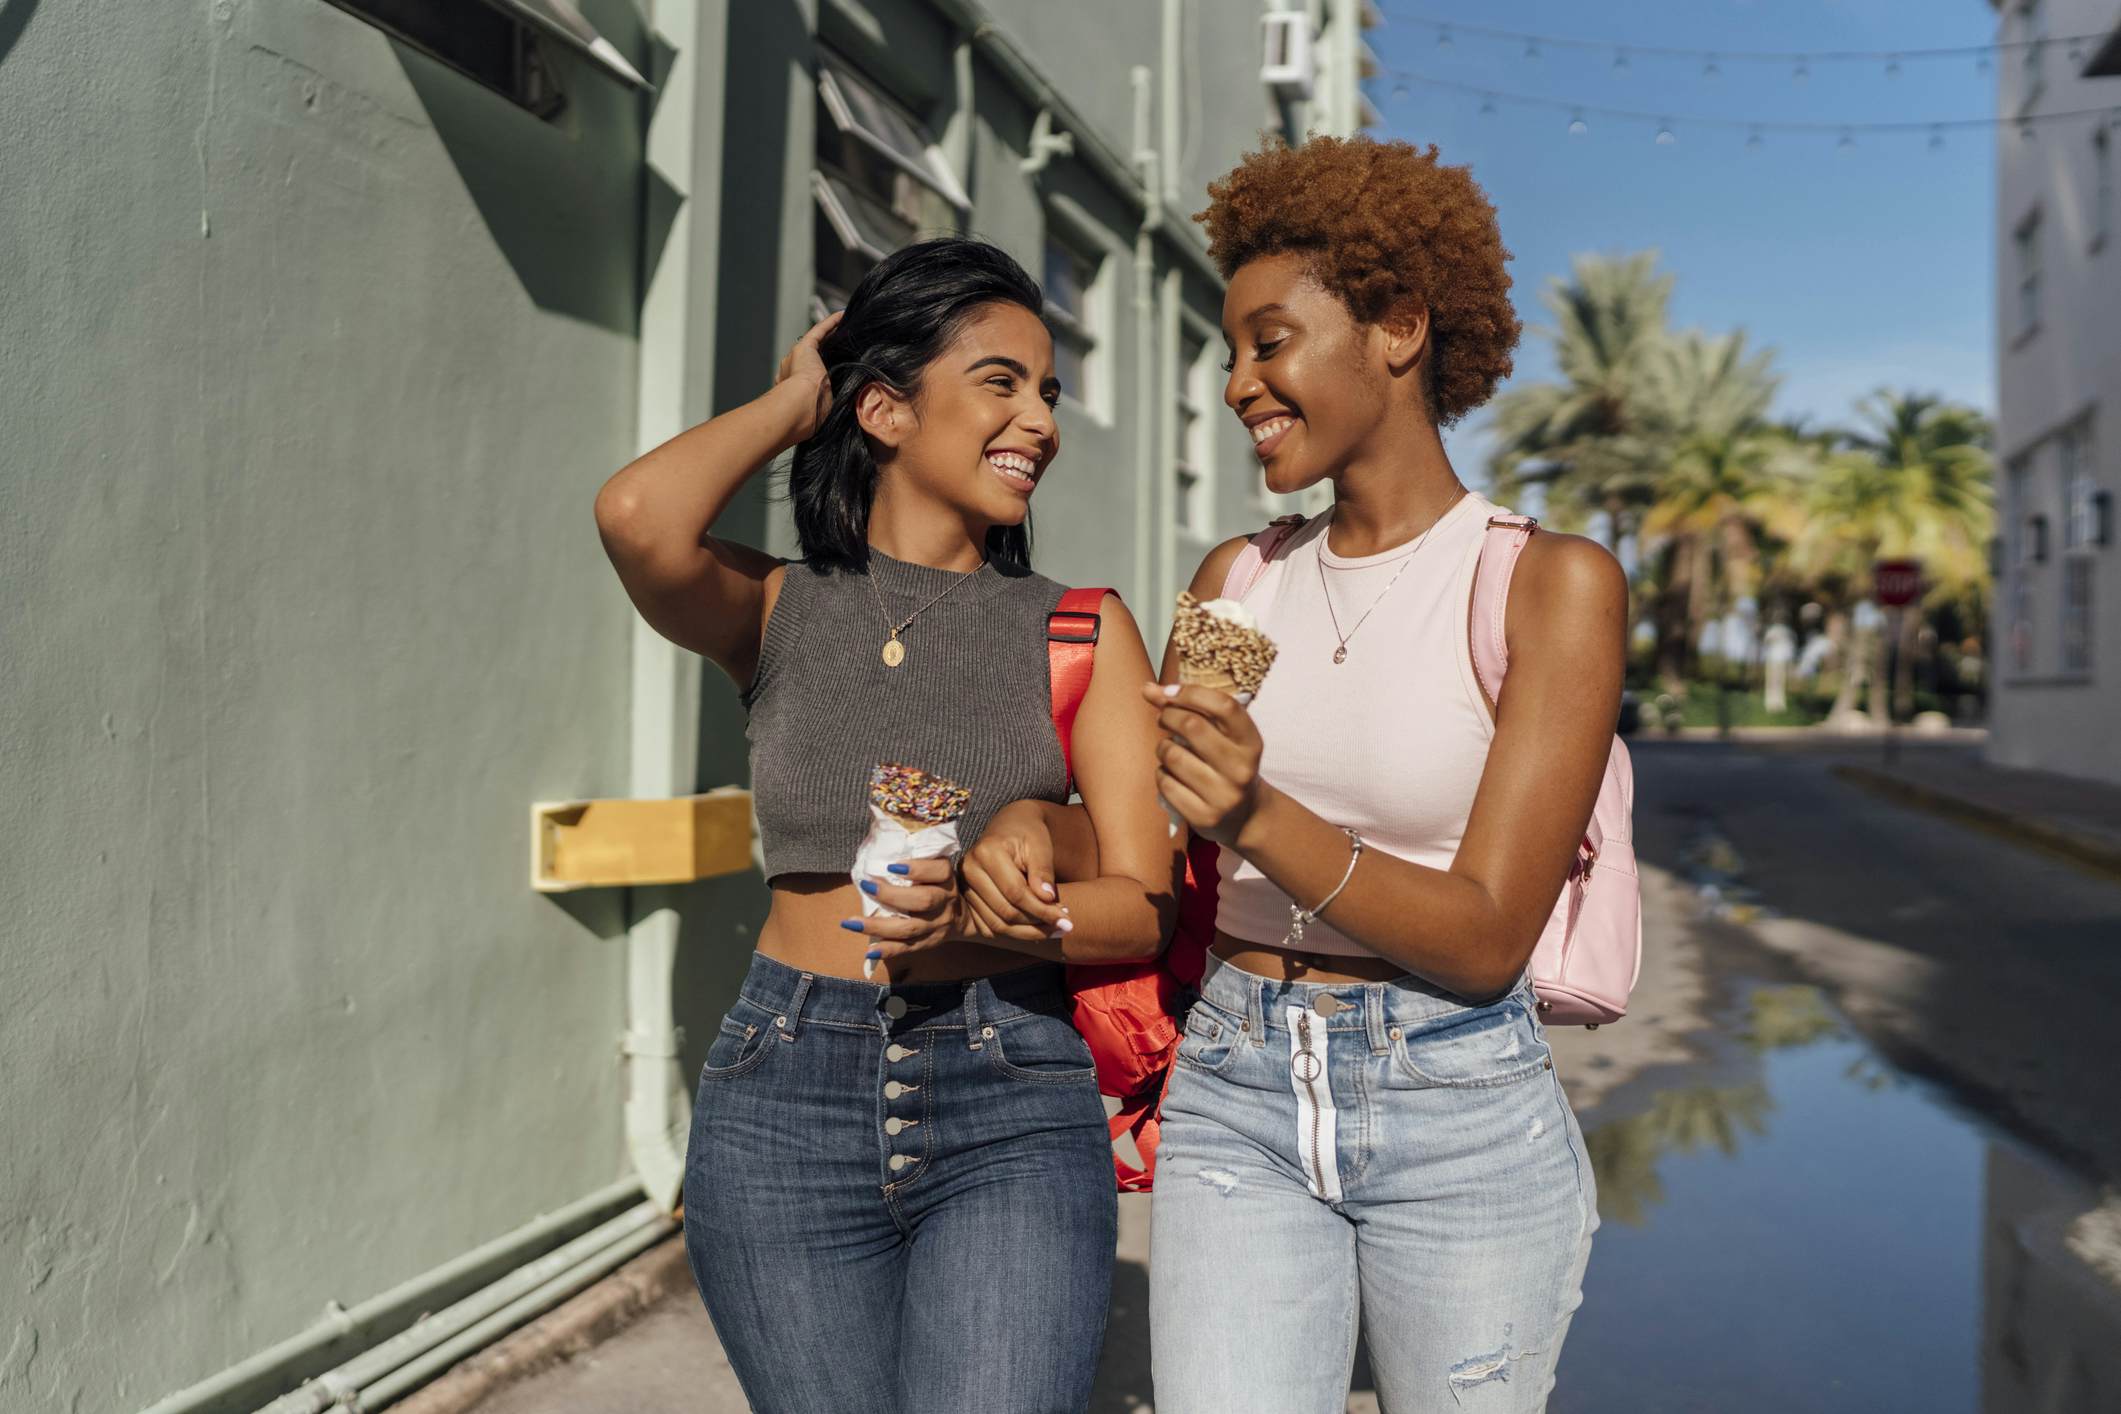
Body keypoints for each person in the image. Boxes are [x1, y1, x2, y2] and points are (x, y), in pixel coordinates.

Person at [594, 237, 1177, 1414]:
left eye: (1049, 391)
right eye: (1000, 381)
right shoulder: (778, 608)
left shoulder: (1082, 626)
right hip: (781, 1091)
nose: (1042, 421)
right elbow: (637, 515)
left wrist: (1007, 907)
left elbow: (1145, 906)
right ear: (886, 408)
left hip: (1008, 1080)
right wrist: (790, 402)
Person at [1145, 137, 1620, 1413]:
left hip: (1456, 1101)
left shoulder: (1544, 586)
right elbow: (1154, 833)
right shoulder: (1233, 584)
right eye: (1233, 349)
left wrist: (1253, 808)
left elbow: (1480, 941)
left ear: (1400, 328)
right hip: (1236, 1086)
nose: (1241, 381)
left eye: (1271, 340)